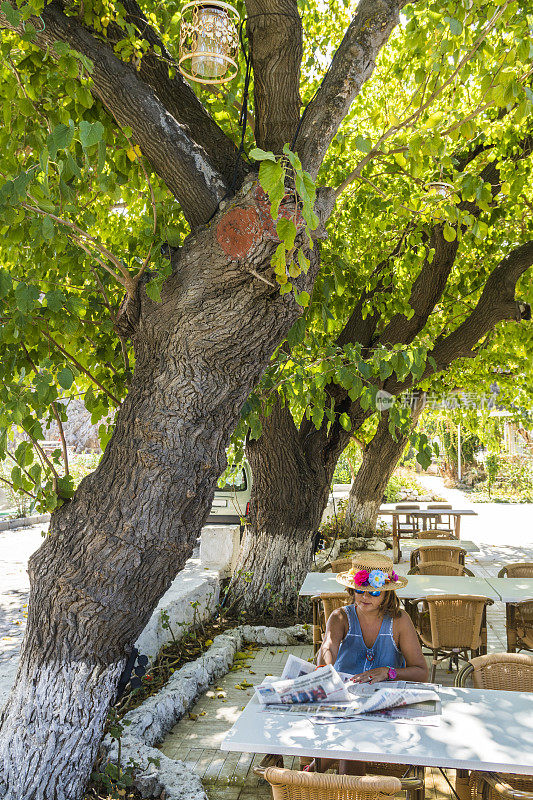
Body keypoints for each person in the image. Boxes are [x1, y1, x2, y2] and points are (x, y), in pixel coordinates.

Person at [310, 553, 428, 774]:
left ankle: (316, 772)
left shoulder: (399, 621)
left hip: (383, 708)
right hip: (344, 706)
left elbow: (422, 672)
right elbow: (329, 646)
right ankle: (323, 775)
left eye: (373, 591)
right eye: (359, 590)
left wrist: (387, 672)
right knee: (350, 737)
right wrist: (326, 663)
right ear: (351, 590)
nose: (365, 596)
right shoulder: (340, 617)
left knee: (352, 741)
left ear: (385, 593)